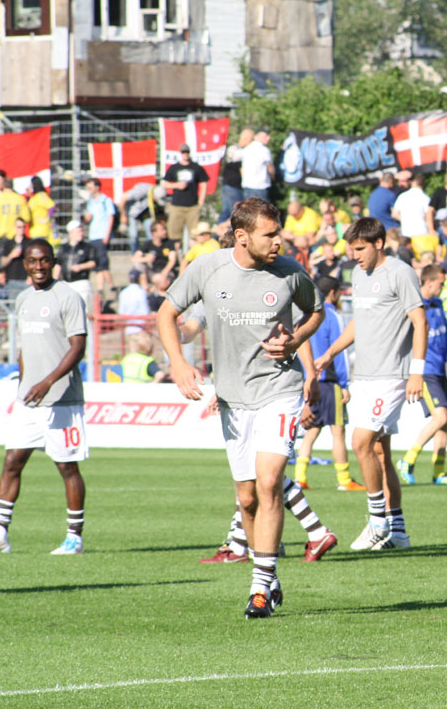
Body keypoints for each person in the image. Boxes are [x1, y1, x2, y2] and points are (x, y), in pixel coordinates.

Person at [158, 198, 325, 618]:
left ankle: (258, 590)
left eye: (279, 231)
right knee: (247, 497)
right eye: (270, 234)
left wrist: (295, 339)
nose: (279, 240)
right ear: (242, 236)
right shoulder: (207, 268)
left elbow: (316, 311)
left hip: (280, 389)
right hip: (233, 397)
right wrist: (178, 363)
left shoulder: (288, 271)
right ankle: (268, 574)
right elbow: (166, 312)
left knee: (270, 482)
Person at [0, 240, 89, 556]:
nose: (39, 266)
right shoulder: (23, 298)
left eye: (45, 260)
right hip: (29, 400)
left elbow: (78, 347)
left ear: (53, 262)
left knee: (67, 467)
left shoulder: (68, 296)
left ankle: (74, 538)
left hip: (62, 398)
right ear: (25, 263)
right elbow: (25, 349)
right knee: (12, 462)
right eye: (33, 261)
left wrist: (48, 381)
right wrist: (24, 387)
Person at [316, 217, 427, 552]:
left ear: (379, 243)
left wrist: (417, 373)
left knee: (360, 442)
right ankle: (399, 532)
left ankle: (377, 521)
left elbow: (419, 321)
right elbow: (358, 323)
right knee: (379, 452)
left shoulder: (399, 272)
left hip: (391, 376)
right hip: (363, 376)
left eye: (360, 248)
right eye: (351, 248)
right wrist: (329, 353)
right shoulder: (360, 276)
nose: (354, 255)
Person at [396, 265, 447, 487]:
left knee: (445, 422)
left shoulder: (438, 304)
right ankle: (408, 459)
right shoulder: (416, 306)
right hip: (424, 371)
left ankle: (439, 472)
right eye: (441, 283)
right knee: (440, 417)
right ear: (429, 282)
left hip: (439, 370)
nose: (443, 287)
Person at [298, 275, 364, 491]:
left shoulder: (306, 317)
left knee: (312, 431)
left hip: (310, 381)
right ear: (334, 293)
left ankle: (300, 478)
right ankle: (344, 479)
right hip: (329, 382)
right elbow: (340, 352)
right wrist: (344, 384)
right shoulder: (332, 316)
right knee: (338, 432)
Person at [162, 144, 209, 248]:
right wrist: (177, 185)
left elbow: (204, 183)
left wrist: (201, 201)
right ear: (180, 153)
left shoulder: (196, 167)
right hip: (177, 205)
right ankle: (176, 258)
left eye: (187, 152)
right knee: (174, 235)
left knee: (194, 235)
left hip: (192, 206)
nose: (185, 154)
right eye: (183, 152)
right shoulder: (174, 167)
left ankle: (194, 259)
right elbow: (165, 184)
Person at [81, 178, 116, 295]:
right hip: (93, 235)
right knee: (97, 263)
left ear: (97, 187)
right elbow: (88, 219)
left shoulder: (105, 200)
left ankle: (111, 286)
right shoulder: (91, 202)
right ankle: (101, 288)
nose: (89, 190)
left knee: (103, 262)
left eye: (90, 187)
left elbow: (110, 218)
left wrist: (107, 235)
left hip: (101, 235)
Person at [55, 220, 97, 309]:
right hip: (66, 283)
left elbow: (93, 262)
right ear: (71, 233)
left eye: (81, 231)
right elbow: (58, 265)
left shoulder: (87, 247)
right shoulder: (64, 248)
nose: (81, 233)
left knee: (82, 309)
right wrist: (54, 281)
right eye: (78, 231)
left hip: (81, 282)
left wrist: (81, 267)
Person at [392, 173, 436, 257]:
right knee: (423, 258)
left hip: (406, 233)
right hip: (421, 233)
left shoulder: (402, 196)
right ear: (423, 185)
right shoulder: (425, 198)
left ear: (413, 183)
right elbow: (428, 215)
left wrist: (405, 219)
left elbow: (394, 214)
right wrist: (431, 230)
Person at [217, 128, 252, 223]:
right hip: (232, 186)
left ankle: (218, 233)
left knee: (227, 212)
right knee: (235, 213)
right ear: (246, 138)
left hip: (231, 185)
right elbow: (241, 168)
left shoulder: (239, 150)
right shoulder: (237, 150)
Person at [0, 170, 31, 242]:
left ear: (3, 185)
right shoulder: (20, 199)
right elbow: (26, 218)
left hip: (1, 234)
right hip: (16, 235)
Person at [0, 217, 32, 293]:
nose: (21, 229)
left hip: (25, 280)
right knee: (13, 304)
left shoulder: (29, 243)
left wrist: (30, 276)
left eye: (23, 227)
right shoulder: (8, 243)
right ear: (15, 227)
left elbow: (33, 262)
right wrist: (11, 255)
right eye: (19, 227)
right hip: (12, 279)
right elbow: (2, 263)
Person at [241, 129, 274, 201]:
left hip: (247, 185)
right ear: (256, 137)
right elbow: (270, 167)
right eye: (265, 136)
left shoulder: (247, 148)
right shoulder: (264, 150)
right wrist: (273, 177)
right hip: (260, 186)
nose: (268, 138)